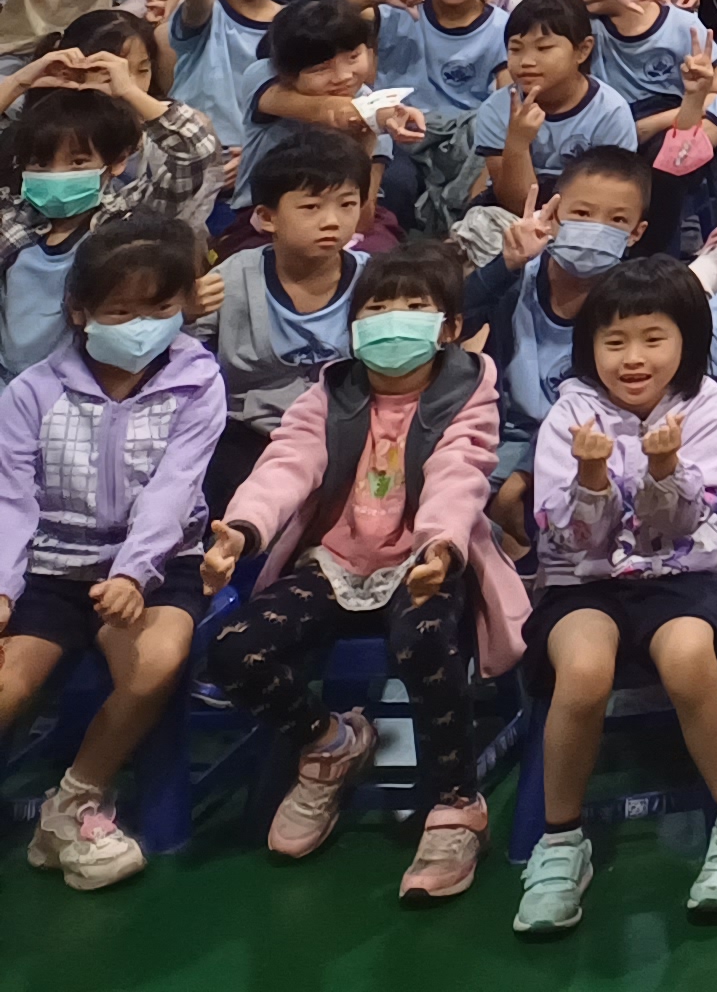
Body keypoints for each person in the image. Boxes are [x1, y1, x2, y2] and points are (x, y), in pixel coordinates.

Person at [198, 235, 524, 902]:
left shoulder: (467, 388)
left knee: (424, 641)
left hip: (427, 561)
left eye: (414, 307)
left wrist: (438, 548)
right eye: (376, 308)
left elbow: (460, 471)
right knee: (231, 647)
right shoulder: (331, 390)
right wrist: (244, 528)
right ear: (352, 324)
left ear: (449, 328)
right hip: (334, 560)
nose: (392, 320)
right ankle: (329, 743)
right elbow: (288, 462)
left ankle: (457, 803)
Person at [517, 256, 717, 933]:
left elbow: (680, 526)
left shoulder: (704, 405)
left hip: (679, 577)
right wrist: (592, 476)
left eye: (654, 338)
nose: (633, 357)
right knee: (583, 670)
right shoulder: (570, 413)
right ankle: (561, 841)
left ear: (686, 340)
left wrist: (663, 465)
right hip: (582, 583)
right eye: (614, 340)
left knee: (689, 657)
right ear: (590, 345)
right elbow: (570, 536)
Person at [0, 214, 222, 889]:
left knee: (155, 663)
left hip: (158, 565)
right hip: (52, 566)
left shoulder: (198, 381)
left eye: (159, 309)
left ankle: (72, 804)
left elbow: (174, 488)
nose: (141, 326)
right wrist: (3, 587)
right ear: (80, 311)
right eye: (120, 312)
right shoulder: (32, 392)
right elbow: (12, 500)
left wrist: (133, 572)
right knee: (9, 685)